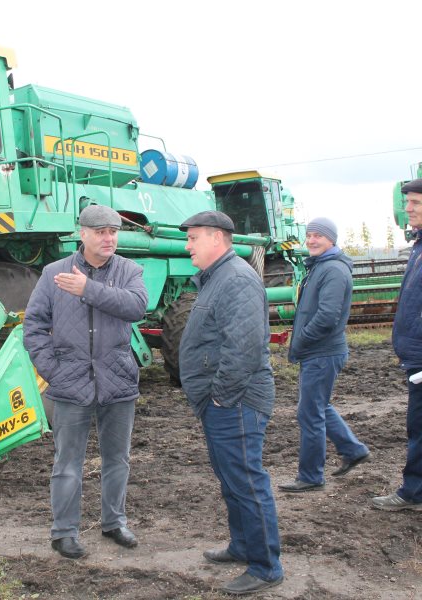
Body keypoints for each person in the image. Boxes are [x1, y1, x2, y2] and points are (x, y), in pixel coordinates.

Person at [23, 204, 148, 559]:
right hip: (69, 383)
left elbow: (136, 307)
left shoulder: (129, 270)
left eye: (113, 232)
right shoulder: (52, 274)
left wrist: (87, 289)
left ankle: (114, 522)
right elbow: (33, 327)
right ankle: (64, 533)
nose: (109, 238)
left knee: (117, 459)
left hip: (118, 381)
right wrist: (54, 370)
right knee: (68, 462)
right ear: (83, 234)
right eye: (100, 232)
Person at [178, 210, 284, 595]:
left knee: (246, 482)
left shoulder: (236, 280)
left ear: (216, 238)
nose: (187, 246)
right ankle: (243, 546)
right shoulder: (217, 278)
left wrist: (221, 398)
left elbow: (243, 347)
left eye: (193, 238)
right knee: (231, 480)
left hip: (235, 402)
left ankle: (266, 566)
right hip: (222, 401)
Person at [278, 217, 371, 493]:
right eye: (309, 235)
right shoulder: (320, 267)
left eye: (318, 235)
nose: (311, 240)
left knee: (309, 413)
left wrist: (303, 339)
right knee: (318, 407)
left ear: (331, 239)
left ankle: (311, 476)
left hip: (322, 351)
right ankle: (353, 450)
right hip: (319, 351)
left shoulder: (332, 270)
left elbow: (327, 316)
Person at [372, 178, 422, 511]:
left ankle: (413, 493)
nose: (407, 209)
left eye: (415, 202)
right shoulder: (418, 246)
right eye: (407, 202)